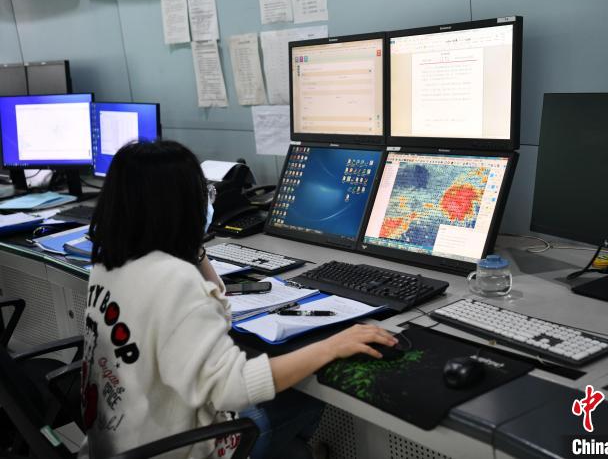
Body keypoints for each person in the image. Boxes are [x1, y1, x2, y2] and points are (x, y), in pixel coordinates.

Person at [79, 140, 398, 459]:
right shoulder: (174, 279)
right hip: (176, 448)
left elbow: (218, 308)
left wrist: (192, 245)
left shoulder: (109, 261)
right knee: (307, 391)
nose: (208, 201)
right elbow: (233, 388)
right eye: (204, 193)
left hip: (117, 439)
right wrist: (331, 346)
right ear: (181, 206)